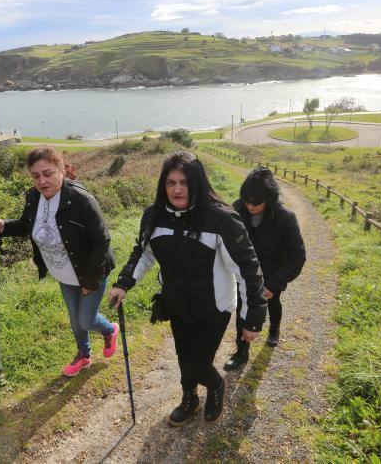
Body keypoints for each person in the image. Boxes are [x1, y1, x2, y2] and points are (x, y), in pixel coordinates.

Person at [109, 151, 267, 426]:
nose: (177, 189)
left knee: (197, 363)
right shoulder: (154, 217)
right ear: (163, 185)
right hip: (177, 303)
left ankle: (216, 386)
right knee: (184, 357)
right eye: (170, 183)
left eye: (184, 182)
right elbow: (143, 253)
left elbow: (247, 270)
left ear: (197, 183)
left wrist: (252, 317)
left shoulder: (221, 219)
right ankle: (189, 398)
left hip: (214, 307)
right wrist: (124, 283)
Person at [0, 146, 118, 377]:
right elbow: (26, 225)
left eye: (47, 173)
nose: (42, 181)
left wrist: (90, 280)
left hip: (89, 271)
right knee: (75, 320)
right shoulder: (33, 197)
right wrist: (3, 226)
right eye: (36, 175)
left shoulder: (81, 199)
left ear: (61, 171)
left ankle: (109, 330)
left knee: (86, 320)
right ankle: (84, 355)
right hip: (63, 272)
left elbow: (102, 240)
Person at [223, 167, 306, 371]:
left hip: (272, 273)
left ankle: (274, 329)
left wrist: (274, 284)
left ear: (269, 199)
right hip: (245, 275)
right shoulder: (237, 209)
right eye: (247, 200)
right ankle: (241, 352)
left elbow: (298, 256)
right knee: (244, 309)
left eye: (256, 202)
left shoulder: (286, 218)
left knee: (273, 302)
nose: (250, 206)